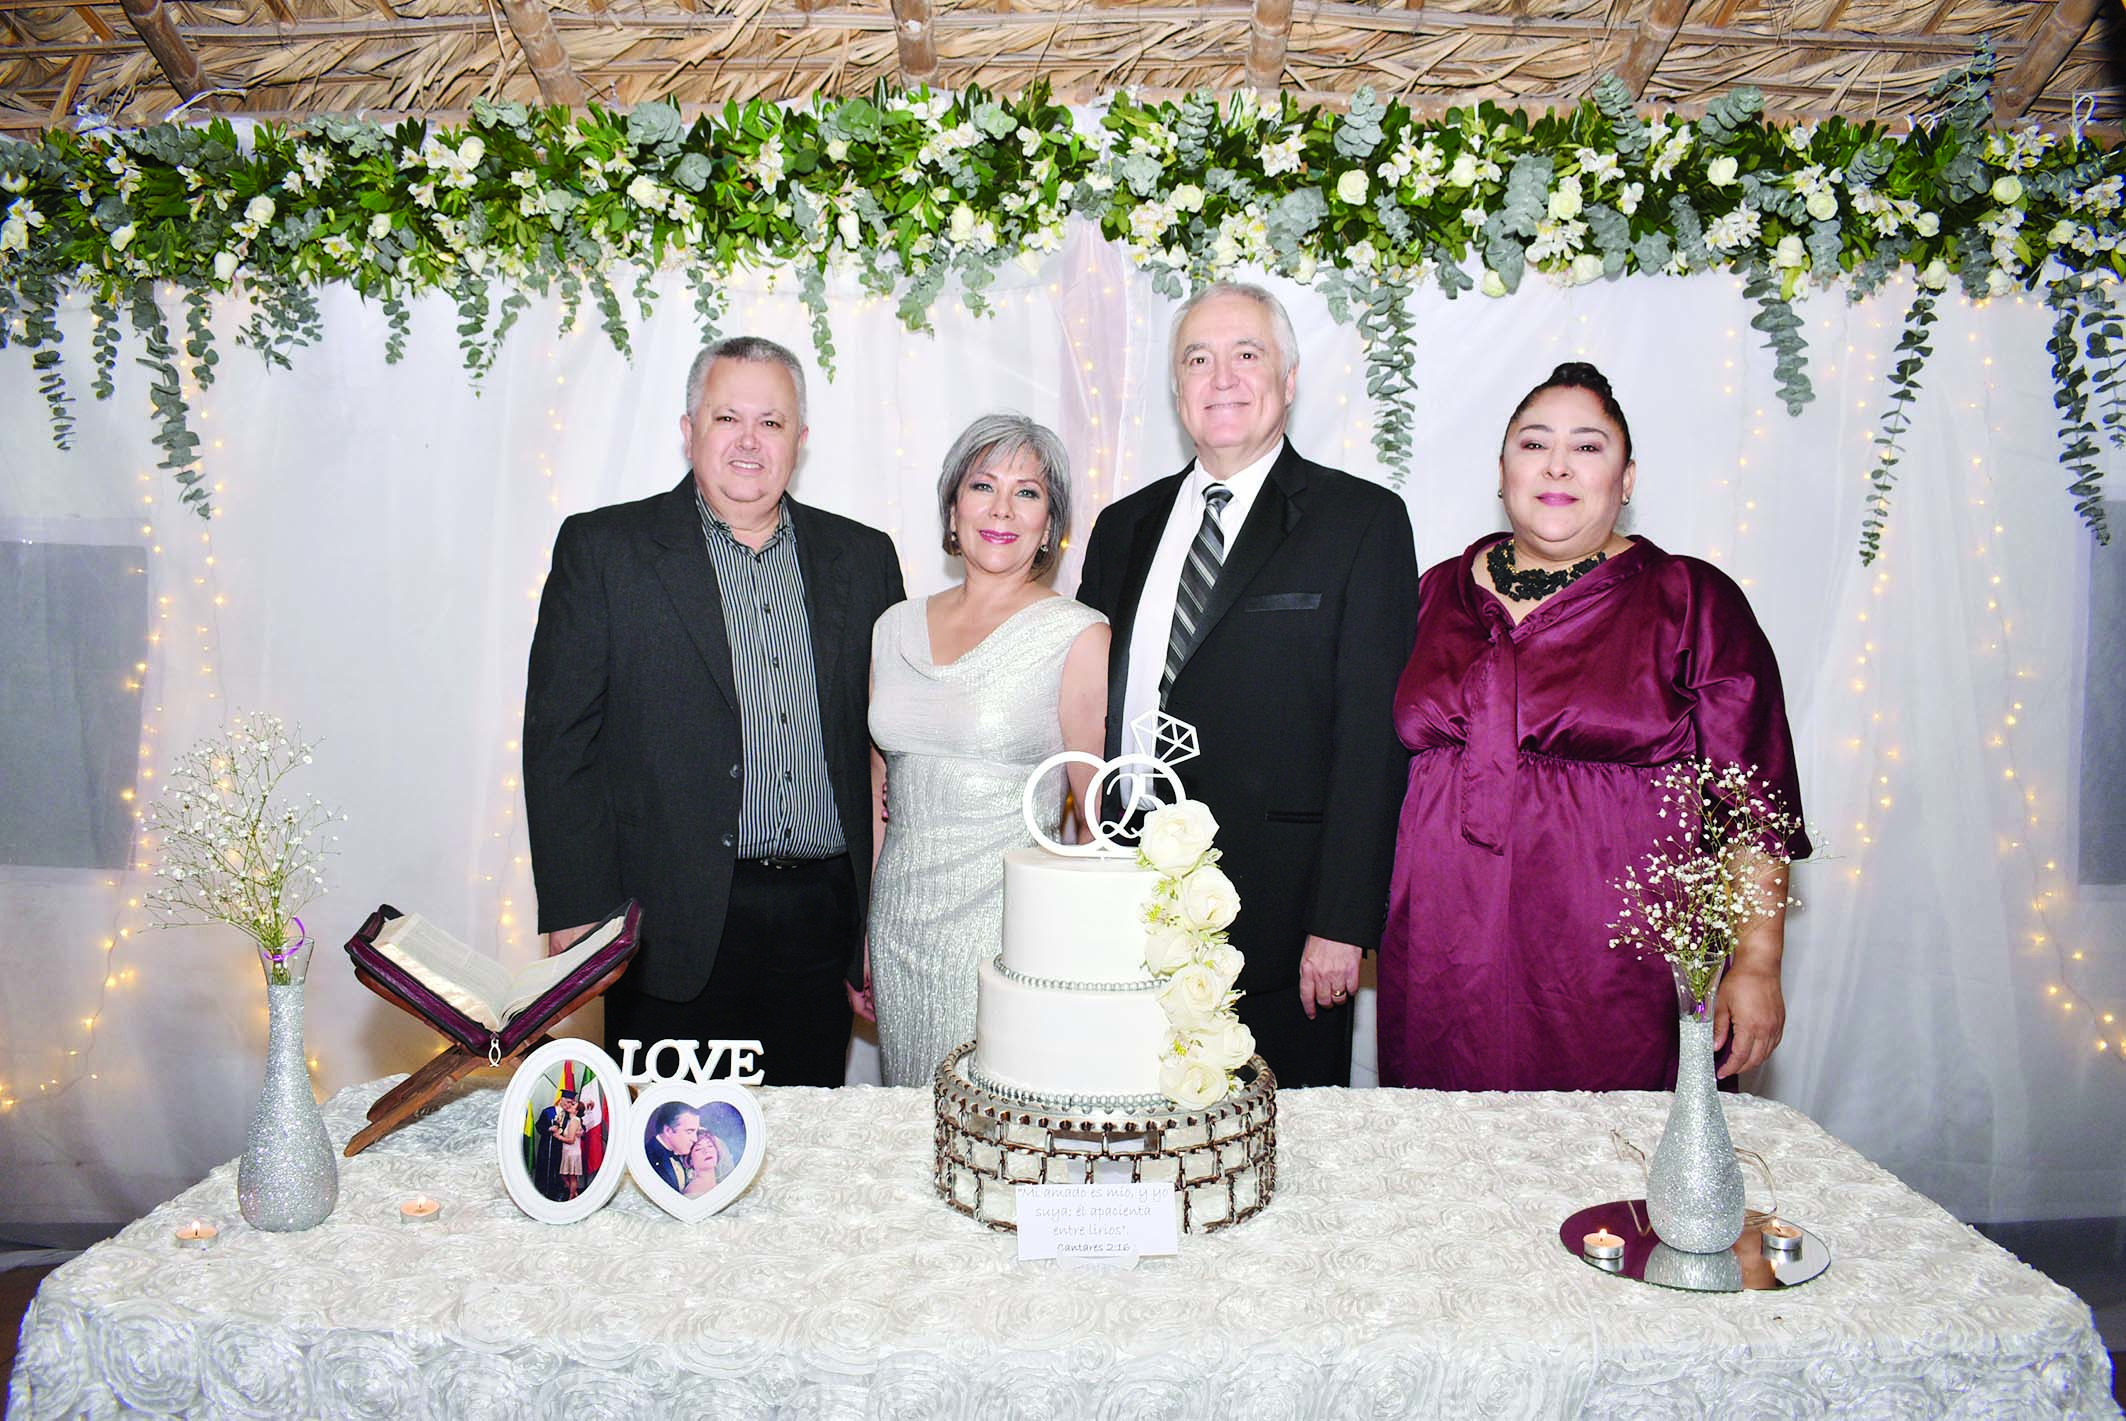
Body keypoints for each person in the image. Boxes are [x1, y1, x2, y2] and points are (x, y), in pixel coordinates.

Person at [1378, 361, 1810, 1092]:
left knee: (1618, 1175)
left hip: (1621, 977)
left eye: (1588, 446)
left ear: (1627, 477)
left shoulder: (1693, 601)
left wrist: (1758, 963)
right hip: (1444, 961)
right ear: (1502, 468)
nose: (1557, 465)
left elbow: (1753, 804)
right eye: (1533, 443)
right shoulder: (1429, 594)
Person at [525, 336, 906, 1085]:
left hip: (821, 916)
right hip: (664, 918)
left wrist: (880, 920)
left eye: (771, 422)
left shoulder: (862, 558)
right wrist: (577, 906)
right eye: (728, 416)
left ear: (800, 440)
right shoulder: (604, 549)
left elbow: (890, 749)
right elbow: (559, 742)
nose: (748, 441)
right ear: (689, 426)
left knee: (803, 1157)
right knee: (670, 1159)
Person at [1074, 283, 1420, 1088]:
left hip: (1280, 924)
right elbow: (1089, 713)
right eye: (1198, 358)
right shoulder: (1123, 525)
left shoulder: (1360, 520)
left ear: (1289, 379)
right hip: (1124, 907)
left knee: (1278, 1172)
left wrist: (1340, 922)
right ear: (1176, 388)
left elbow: (1373, 736)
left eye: (1246, 355)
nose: (1221, 377)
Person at [858, 414, 1108, 1087]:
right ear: (952, 506)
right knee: (912, 1134)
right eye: (982, 485)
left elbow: (1092, 817)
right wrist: (865, 934)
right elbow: (880, 791)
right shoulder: (893, 627)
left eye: (1027, 492)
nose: (1002, 509)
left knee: (995, 1131)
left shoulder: (1078, 634)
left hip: (1009, 934)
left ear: (1051, 519)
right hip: (899, 921)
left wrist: (1077, 956)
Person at [643, 1103, 700, 1191]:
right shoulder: (647, 1157)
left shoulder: (684, 1155)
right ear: (668, 1131)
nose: (695, 1139)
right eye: (689, 1131)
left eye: (696, 1132)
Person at [679, 1131, 727, 1197]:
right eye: (698, 1149)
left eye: (710, 1146)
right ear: (690, 1160)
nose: (707, 1151)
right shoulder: (693, 1192)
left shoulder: (722, 1185)